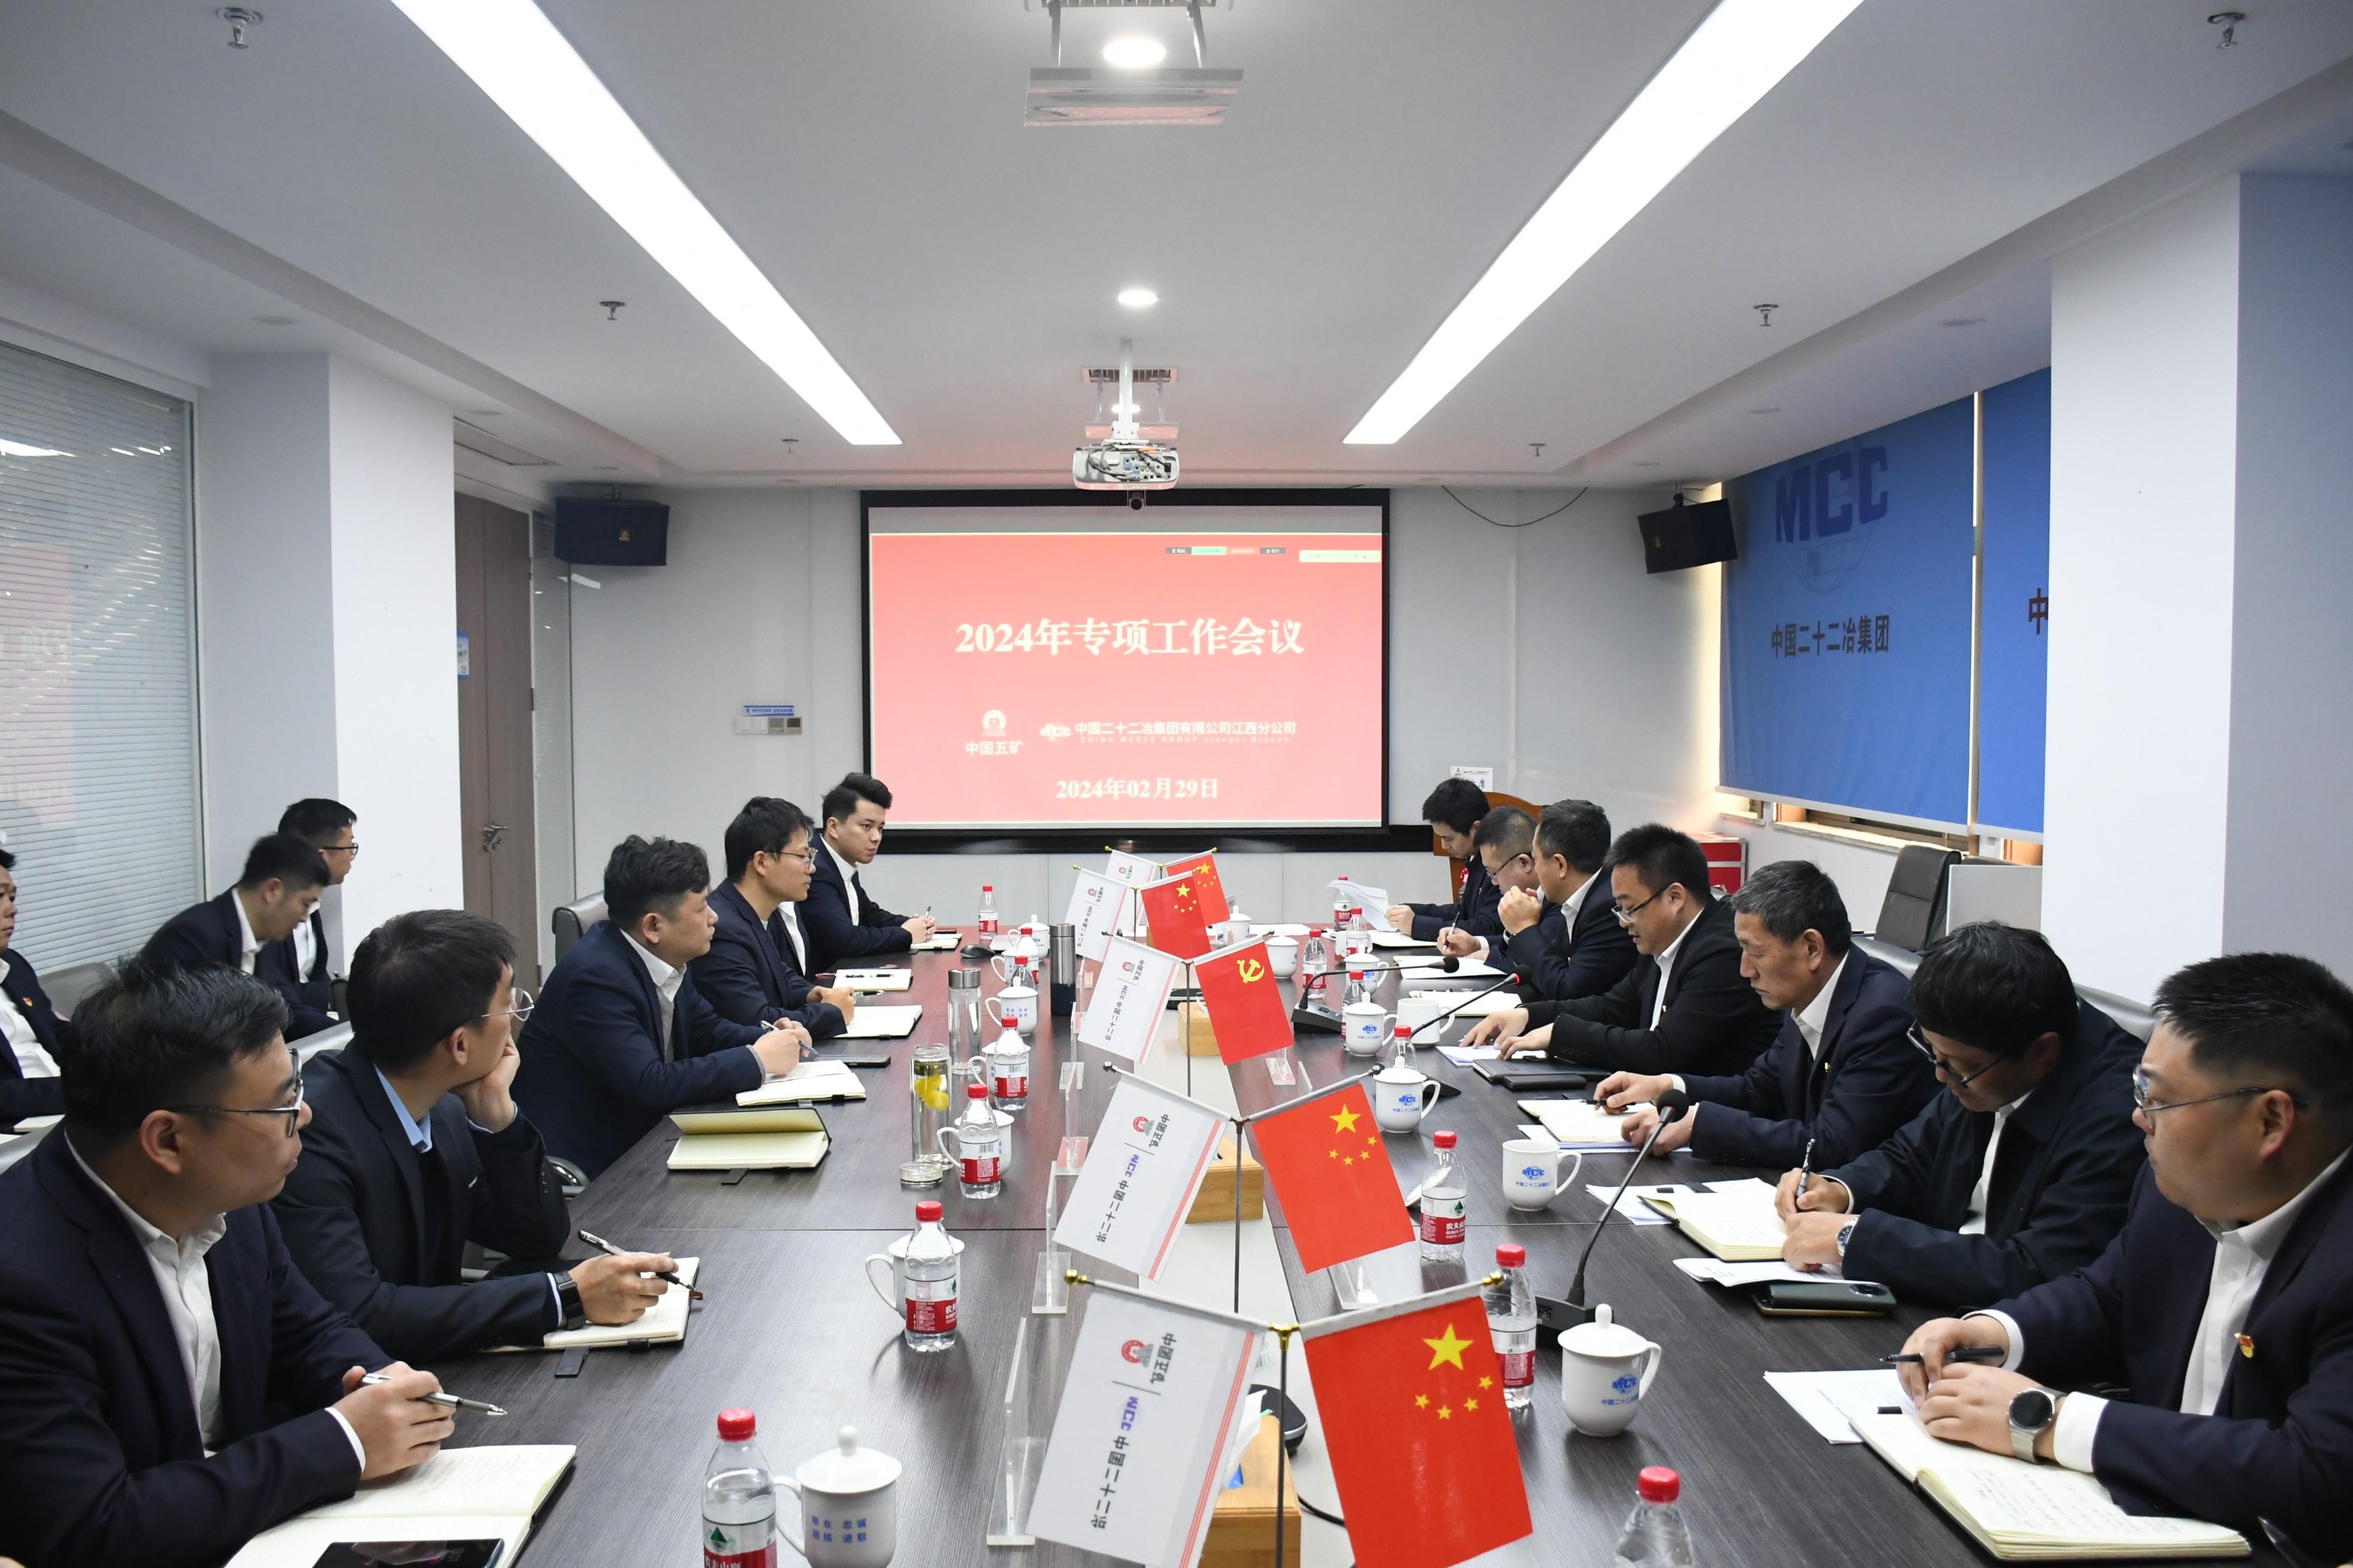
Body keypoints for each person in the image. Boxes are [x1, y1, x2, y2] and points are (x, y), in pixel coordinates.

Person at [1898, 953, 2353, 1560]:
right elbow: (2109, 1295)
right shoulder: (2180, 1190)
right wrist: (1992, 1332)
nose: (2138, 1116)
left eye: (2157, 1098)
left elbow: (2316, 1473)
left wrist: (2047, 1420)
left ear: (2270, 1119)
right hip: (2157, 1518)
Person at [0, 961, 452, 1568]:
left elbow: (307, 1332)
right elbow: (96, 1526)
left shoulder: (226, 1193)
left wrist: (378, 1383)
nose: (306, 1116)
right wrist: (344, 1439)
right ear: (168, 1140)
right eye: (282, 1104)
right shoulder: (21, 1277)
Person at [273, 910, 675, 1361]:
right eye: (508, 1003)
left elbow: (536, 1240)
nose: (517, 1017)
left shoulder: (445, 1103)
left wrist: (499, 1117)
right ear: (460, 1044)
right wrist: (562, 1296)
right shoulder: (311, 1135)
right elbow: (361, 1314)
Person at [1774, 921, 2144, 1307]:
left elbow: (2038, 1270)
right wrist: (1839, 1189)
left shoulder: (2119, 1117)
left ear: (2043, 1052)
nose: (1941, 1074)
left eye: (1957, 1064)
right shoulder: (1983, 1059)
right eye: (1934, 1053)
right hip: (1948, 1292)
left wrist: (1855, 1238)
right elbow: (1912, 1157)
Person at [1594, 859, 1935, 1168]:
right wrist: (1667, 1085)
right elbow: (1757, 1090)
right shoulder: (1804, 992)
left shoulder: (1882, 1015)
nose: (1745, 970)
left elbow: (1834, 1144)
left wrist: (1700, 1124)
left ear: (1812, 948)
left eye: (1755, 953)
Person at [512, 836, 809, 1176]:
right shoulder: (594, 978)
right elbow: (649, 1084)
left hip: (648, 1138)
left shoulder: (664, 956)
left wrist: (767, 1037)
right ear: (653, 926)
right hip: (595, 1168)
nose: (714, 917)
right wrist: (757, 1059)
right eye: (701, 908)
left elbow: (706, 1029)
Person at [1468, 823, 1780, 1077]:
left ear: (1675, 898)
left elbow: (1662, 1051)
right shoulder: (1661, 940)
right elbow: (1613, 1007)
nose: (1623, 922)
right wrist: (1527, 1015)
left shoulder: (1723, 953)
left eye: (1630, 909)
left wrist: (1562, 1035)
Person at [141, 833, 336, 1039]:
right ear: (273, 890)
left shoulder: (264, 935)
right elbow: (184, 1032)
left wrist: (347, 1033)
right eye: (305, 904)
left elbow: (288, 1010)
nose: (305, 918)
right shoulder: (193, 937)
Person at [692, 797, 856, 1039]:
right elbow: (758, 1021)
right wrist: (832, 1013)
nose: (811, 868)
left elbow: (778, 974)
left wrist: (813, 994)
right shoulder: (722, 928)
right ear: (762, 862)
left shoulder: (751, 911)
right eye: (802, 856)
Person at [1499, 799, 1639, 1002]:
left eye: (1536, 860)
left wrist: (1523, 929)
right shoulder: (1568, 895)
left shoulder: (1608, 907)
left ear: (1561, 865)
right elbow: (1547, 969)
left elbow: (1567, 991)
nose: (1536, 869)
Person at [802, 773, 938, 974]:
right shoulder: (815, 869)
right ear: (834, 827)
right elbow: (846, 940)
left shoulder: (842, 861)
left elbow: (869, 915)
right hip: (821, 984)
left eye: (880, 828)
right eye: (867, 827)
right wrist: (906, 934)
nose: (876, 837)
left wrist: (912, 924)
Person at [1436, 807, 1559, 975]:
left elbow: (1541, 965)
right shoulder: (1532, 896)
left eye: (1493, 873)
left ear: (1524, 863)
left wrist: (1494, 958)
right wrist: (1476, 944)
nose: (1494, 882)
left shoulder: (1557, 900)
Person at [1386, 777, 1503, 943]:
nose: (1444, 845)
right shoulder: (1476, 859)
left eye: (1449, 838)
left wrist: (1417, 925)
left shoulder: (1499, 864)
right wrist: (1411, 911)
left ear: (1477, 828)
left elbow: (1487, 928)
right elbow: (1463, 912)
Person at [0, 847, 69, 1126]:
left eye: (12, 898)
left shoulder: (12, 965)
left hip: (65, 1111)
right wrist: (78, 1092)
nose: (12, 909)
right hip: (16, 1131)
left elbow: (54, 1030)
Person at [278, 798, 358, 1022]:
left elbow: (314, 980)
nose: (352, 856)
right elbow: (280, 1002)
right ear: (321, 855)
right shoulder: (271, 914)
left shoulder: (311, 903)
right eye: (349, 847)